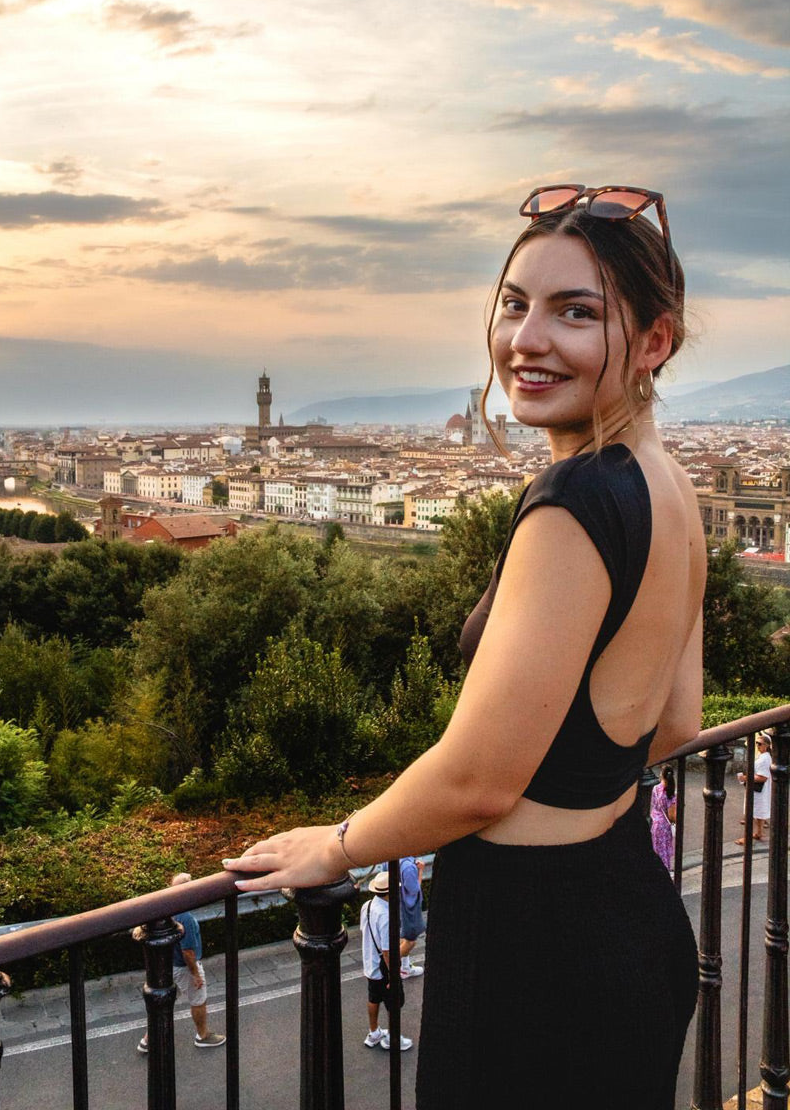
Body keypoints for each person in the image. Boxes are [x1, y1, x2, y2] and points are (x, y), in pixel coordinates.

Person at [223, 183, 704, 1108]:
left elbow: (478, 777)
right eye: (516, 304)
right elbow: (677, 720)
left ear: (654, 341)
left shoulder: (575, 503)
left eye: (576, 312)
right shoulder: (666, 482)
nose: (528, 338)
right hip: (630, 913)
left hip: (535, 949)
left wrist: (341, 843)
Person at [137, 873, 226, 1053]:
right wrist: (195, 974)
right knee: (199, 1000)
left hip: (169, 966)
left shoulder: (168, 909)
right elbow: (188, 951)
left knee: (162, 1004)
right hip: (185, 968)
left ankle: (149, 1040)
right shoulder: (187, 918)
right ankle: (203, 1036)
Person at [359, 870, 413, 1051]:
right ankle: (393, 1037)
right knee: (393, 1003)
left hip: (370, 963)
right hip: (383, 967)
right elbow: (387, 951)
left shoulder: (367, 906)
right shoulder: (386, 916)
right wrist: (393, 975)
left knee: (373, 997)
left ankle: (373, 1032)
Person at [381, 857, 426, 978]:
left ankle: (405, 968)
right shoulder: (409, 867)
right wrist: (421, 871)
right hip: (408, 909)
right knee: (410, 941)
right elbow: (414, 891)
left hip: (396, 903)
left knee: (402, 937)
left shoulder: (389, 858)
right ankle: (390, 967)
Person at [737, 732, 772, 844]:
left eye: (760, 744)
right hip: (760, 790)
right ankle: (759, 832)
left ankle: (746, 838)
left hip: (757, 790)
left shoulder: (764, 759)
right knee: (758, 813)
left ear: (766, 745)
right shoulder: (764, 757)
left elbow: (762, 777)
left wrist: (745, 778)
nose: (758, 745)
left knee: (749, 812)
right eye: (757, 743)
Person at [651, 764, 677, 871]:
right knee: (665, 851)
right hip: (665, 826)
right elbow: (672, 816)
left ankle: (656, 871)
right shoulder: (671, 793)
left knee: (656, 850)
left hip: (655, 823)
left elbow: (653, 806)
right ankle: (665, 871)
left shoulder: (655, 789)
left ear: (661, 775)